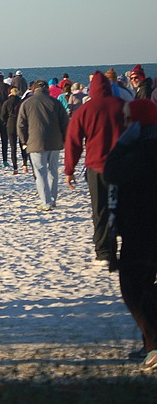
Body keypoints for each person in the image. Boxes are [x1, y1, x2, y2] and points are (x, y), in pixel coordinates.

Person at [103, 99, 157, 373]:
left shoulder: (143, 149)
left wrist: (123, 142)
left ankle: (154, 346)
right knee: (145, 285)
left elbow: (111, 172)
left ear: (137, 123)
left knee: (134, 289)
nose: (123, 124)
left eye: (128, 120)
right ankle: (149, 344)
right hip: (141, 226)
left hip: (142, 227)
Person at [64, 70, 126, 263]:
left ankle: (103, 250)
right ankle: (122, 246)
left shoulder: (85, 110)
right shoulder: (123, 106)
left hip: (96, 166)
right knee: (121, 207)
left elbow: (73, 142)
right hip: (122, 165)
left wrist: (69, 170)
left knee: (99, 209)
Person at [17, 80, 69, 211]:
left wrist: (23, 141)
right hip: (55, 141)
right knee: (53, 170)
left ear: (33, 89)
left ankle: (46, 202)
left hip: (35, 142)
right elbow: (65, 122)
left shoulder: (27, 103)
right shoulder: (55, 102)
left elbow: (21, 125)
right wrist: (64, 138)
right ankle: (53, 198)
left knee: (40, 172)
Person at [0, 87, 29, 174]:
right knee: (23, 145)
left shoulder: (7, 102)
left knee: (13, 147)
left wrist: (4, 123)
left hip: (10, 123)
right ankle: (25, 165)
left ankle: (15, 168)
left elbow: (2, 116)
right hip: (20, 123)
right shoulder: (21, 102)